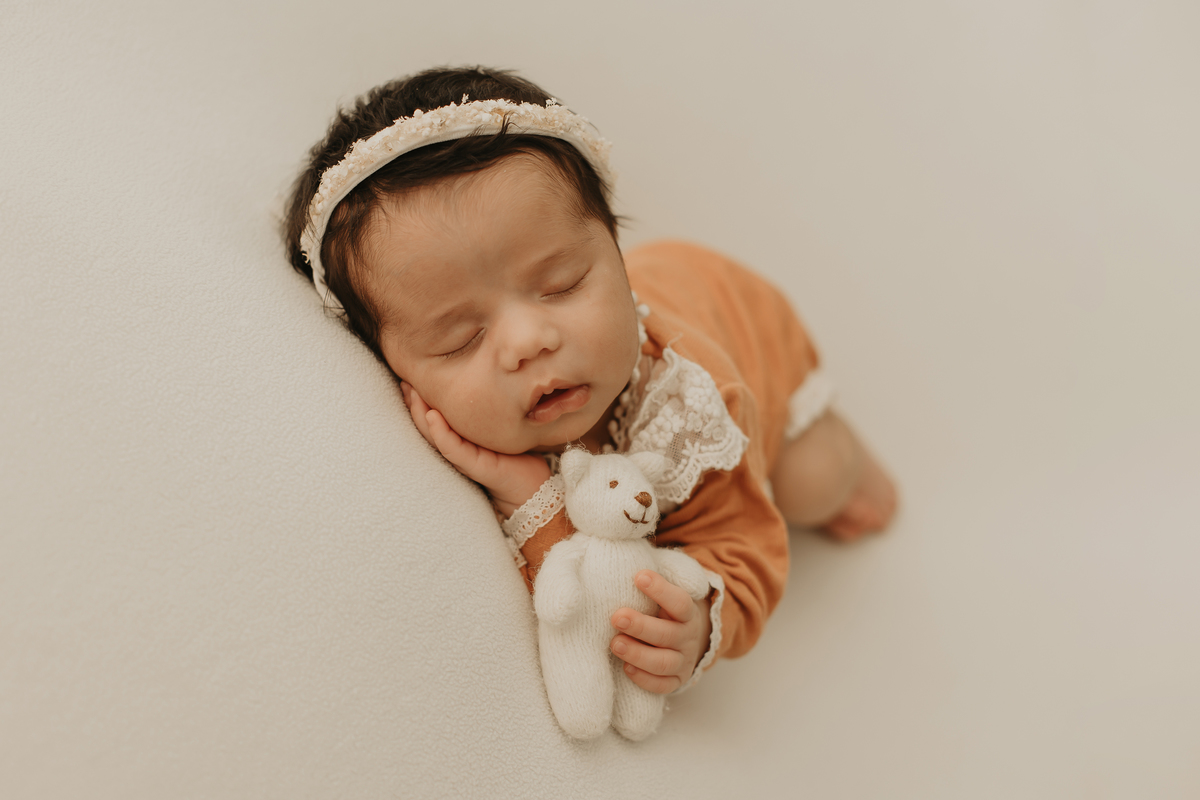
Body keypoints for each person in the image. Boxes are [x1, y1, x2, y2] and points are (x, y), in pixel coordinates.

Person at [283, 66, 897, 697]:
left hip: (742, 322)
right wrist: (526, 491)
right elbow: (570, 587)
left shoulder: (689, 404)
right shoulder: (434, 443)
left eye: (562, 284)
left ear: (616, 249)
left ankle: (836, 440)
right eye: (459, 338)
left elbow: (743, 544)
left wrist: (705, 618)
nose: (528, 342)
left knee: (813, 483)